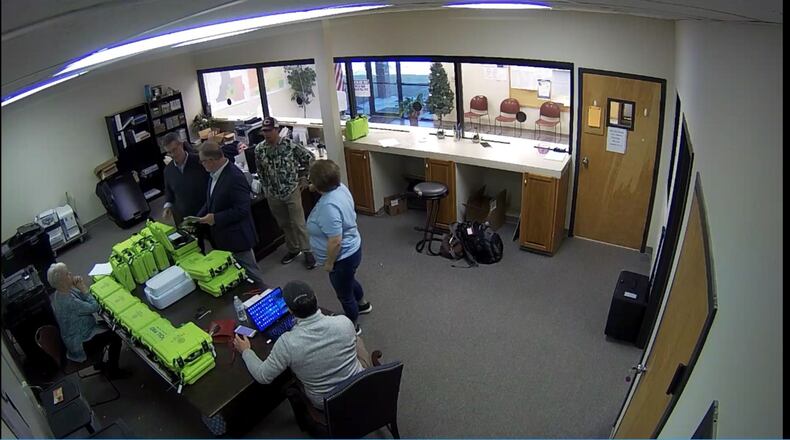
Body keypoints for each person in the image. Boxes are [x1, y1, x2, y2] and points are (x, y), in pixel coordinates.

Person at [232, 280, 372, 408]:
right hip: (359, 385)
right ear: (315, 297)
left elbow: (263, 376)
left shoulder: (287, 343)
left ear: (289, 310)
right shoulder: (343, 322)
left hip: (327, 403)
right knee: (357, 340)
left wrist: (246, 351)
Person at [306, 160, 371, 335]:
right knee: (349, 280)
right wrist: (315, 186)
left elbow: (335, 241)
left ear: (318, 184)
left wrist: (329, 263)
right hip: (353, 248)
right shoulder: (340, 187)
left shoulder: (328, 207)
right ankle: (363, 304)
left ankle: (352, 326)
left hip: (341, 258)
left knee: (344, 294)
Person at [195, 141, 266, 286]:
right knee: (236, 277)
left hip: (238, 239)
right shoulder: (214, 174)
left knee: (253, 276)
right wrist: (197, 217)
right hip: (222, 237)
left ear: (211, 160)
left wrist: (215, 218)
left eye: (203, 161)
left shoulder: (235, 177)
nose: (201, 165)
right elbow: (211, 201)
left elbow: (242, 210)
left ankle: (266, 297)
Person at [47, 262, 130, 379]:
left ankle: (99, 363)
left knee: (107, 325)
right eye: (67, 274)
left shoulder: (60, 293)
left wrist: (78, 287)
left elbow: (83, 298)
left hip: (75, 337)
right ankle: (113, 371)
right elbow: (94, 306)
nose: (70, 273)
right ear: (62, 281)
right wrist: (83, 287)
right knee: (116, 334)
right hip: (82, 343)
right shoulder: (69, 302)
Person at [255, 117, 317, 269]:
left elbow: (309, 158)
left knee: (298, 223)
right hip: (273, 194)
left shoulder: (289, 145)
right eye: (264, 131)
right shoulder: (259, 149)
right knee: (284, 224)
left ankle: (307, 251)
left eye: (269, 130)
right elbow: (260, 170)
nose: (266, 134)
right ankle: (293, 249)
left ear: (277, 130)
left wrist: (304, 178)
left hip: (291, 190)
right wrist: (266, 188)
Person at [161, 133, 210, 250]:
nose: (173, 155)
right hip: (187, 216)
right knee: (196, 248)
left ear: (181, 145)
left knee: (218, 244)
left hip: (207, 211)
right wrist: (167, 206)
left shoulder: (199, 161)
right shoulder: (168, 170)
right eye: (169, 152)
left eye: (174, 150)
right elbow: (169, 190)